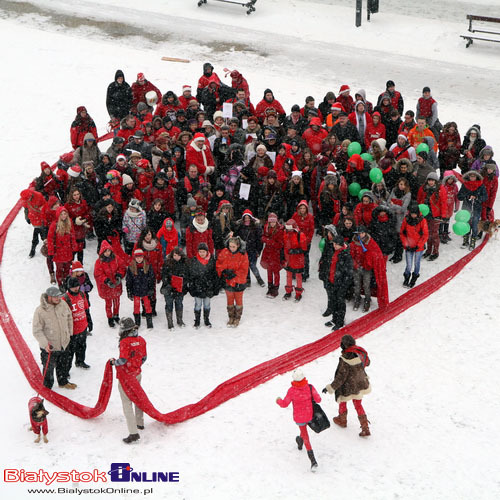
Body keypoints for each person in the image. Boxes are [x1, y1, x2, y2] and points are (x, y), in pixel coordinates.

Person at [322, 334, 371, 437]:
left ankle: (342, 419)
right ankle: (365, 427)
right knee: (358, 404)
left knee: (342, 399)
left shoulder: (345, 359)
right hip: (360, 382)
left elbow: (341, 378)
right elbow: (368, 363)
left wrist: (330, 388)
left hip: (349, 385)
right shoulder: (360, 352)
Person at [110, 317, 147, 444]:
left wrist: (114, 362)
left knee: (127, 403)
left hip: (126, 376)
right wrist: (136, 365)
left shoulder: (125, 342)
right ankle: (140, 422)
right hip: (137, 374)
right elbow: (144, 357)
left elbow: (123, 360)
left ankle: (133, 432)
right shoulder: (141, 340)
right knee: (138, 398)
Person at [276, 368, 321, 471]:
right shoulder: (310, 387)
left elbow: (284, 404)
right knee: (303, 432)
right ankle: (299, 441)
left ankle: (313, 460)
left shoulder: (291, 391)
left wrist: (278, 400)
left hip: (299, 417)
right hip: (309, 415)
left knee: (305, 435)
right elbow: (318, 399)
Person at [32, 286, 75, 390]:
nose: (58, 298)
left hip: (63, 343)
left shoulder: (63, 304)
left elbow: (69, 317)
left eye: (59, 296)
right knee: (48, 368)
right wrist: (45, 344)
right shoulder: (40, 311)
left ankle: (63, 382)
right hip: (49, 347)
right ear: (49, 297)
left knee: (63, 365)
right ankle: (47, 387)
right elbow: (37, 330)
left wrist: (69, 333)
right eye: (55, 297)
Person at [216, 236, 249, 327]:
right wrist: (224, 271)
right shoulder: (225, 252)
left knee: (238, 300)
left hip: (238, 281)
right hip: (228, 280)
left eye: (233, 246)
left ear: (238, 246)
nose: (231, 248)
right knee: (229, 299)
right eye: (230, 246)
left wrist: (234, 274)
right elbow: (219, 263)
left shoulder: (243, 254)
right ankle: (231, 316)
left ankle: (237, 317)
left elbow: (244, 268)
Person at [94, 240, 126, 327]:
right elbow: (98, 274)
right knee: (108, 303)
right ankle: (109, 317)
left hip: (116, 285)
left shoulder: (116, 258)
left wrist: (119, 275)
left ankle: (116, 315)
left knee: (116, 302)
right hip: (106, 287)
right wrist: (106, 280)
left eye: (109, 251)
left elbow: (122, 267)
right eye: (105, 251)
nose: (107, 253)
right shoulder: (99, 262)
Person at [324, 234, 353, 330]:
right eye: (334, 244)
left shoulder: (346, 255)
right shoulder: (334, 252)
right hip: (332, 281)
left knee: (340, 303)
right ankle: (334, 319)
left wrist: (344, 285)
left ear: (341, 244)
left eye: (336, 244)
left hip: (340, 283)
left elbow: (348, 273)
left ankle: (340, 321)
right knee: (333, 301)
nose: (334, 246)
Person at [187, 242, 219, 328]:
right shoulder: (194, 261)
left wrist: (215, 286)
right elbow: (191, 275)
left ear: (207, 252)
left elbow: (214, 274)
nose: (202, 254)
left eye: (203, 252)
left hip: (208, 287)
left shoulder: (212, 260)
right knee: (197, 304)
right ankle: (197, 320)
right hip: (197, 287)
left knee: (207, 304)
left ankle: (206, 320)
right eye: (200, 252)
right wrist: (192, 286)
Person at [416, 172, 447, 260]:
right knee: (427, 233)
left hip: (435, 215)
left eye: (432, 180)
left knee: (434, 234)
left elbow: (443, 203)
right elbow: (419, 200)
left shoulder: (440, 189)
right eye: (429, 180)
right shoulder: (423, 188)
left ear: (436, 181)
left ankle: (435, 251)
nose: (431, 182)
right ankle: (429, 250)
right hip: (425, 214)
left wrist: (443, 215)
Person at [63, 277, 91, 370]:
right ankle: (66, 370)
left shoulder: (82, 294)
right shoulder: (65, 299)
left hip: (83, 327)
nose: (76, 288)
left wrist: (89, 321)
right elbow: (62, 316)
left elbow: (86, 309)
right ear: (69, 287)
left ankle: (80, 361)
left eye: (77, 286)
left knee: (82, 346)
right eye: (73, 287)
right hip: (72, 331)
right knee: (69, 352)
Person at [400, 203, 429, 288]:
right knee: (408, 264)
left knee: (417, 263)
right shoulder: (406, 219)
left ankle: (414, 277)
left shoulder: (422, 221)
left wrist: (419, 245)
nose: (413, 215)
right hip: (408, 246)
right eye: (411, 214)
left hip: (418, 247)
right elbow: (402, 233)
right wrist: (406, 244)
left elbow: (425, 234)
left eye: (414, 214)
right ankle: (407, 276)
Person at [458, 170, 488, 250]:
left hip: (477, 208)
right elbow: (459, 196)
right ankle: (465, 240)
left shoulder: (481, 185)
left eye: (474, 176)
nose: (472, 178)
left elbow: (485, 197)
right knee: (466, 224)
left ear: (477, 177)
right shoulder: (465, 185)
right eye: (471, 176)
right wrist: (467, 197)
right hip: (466, 208)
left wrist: (477, 198)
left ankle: (473, 241)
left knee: (475, 225)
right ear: (468, 177)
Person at [46, 207, 77, 286]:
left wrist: (74, 248)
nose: (64, 216)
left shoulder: (69, 223)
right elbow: (50, 239)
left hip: (68, 251)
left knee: (67, 269)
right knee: (59, 269)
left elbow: (72, 236)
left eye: (65, 214)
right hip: (58, 252)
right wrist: (51, 252)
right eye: (62, 214)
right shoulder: (54, 225)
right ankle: (60, 284)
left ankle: (66, 282)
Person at [126, 249, 155, 329]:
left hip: (146, 290)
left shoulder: (148, 266)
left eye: (140, 257)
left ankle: (149, 322)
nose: (139, 259)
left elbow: (152, 279)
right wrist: (129, 291)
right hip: (136, 291)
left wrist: (151, 289)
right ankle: (137, 322)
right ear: (134, 258)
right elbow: (129, 281)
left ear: (143, 257)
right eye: (137, 257)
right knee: (136, 307)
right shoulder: (131, 267)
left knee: (147, 306)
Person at [234, 209, 264, 287]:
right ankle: (248, 280)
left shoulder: (256, 226)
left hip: (253, 249)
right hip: (243, 249)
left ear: (251, 218)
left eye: (248, 217)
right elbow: (236, 237)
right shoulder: (240, 226)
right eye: (245, 217)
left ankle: (259, 278)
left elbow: (259, 240)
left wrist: (258, 250)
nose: (247, 219)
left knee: (252, 265)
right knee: (245, 265)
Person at [161, 247, 189, 329]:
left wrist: (182, 283)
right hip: (168, 288)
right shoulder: (167, 263)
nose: (177, 257)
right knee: (169, 304)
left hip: (180, 289)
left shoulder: (185, 264)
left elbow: (187, 276)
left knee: (179, 304)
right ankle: (170, 322)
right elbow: (164, 276)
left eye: (178, 255)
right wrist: (169, 285)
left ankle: (179, 320)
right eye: (175, 255)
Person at [282, 219, 308, 302]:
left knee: (298, 276)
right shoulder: (285, 234)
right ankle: (288, 291)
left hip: (297, 259)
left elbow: (304, 249)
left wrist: (295, 251)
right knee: (288, 275)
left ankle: (298, 293)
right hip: (288, 258)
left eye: (290, 228)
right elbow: (284, 245)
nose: (289, 230)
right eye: (287, 228)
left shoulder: (300, 235)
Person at [260, 213, 284, 298]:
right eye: (271, 222)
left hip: (276, 254)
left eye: (274, 222)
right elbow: (263, 237)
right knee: (269, 270)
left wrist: (269, 241)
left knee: (276, 271)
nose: (272, 223)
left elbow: (280, 244)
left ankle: (276, 288)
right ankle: (270, 287)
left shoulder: (280, 230)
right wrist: (266, 240)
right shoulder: (266, 228)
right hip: (268, 253)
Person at [20, 188, 47, 258]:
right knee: (41, 233)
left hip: (41, 217)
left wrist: (42, 208)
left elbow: (45, 205)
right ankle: (38, 246)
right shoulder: (25, 199)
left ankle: (34, 248)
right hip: (33, 218)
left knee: (40, 233)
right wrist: (27, 217)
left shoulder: (39, 196)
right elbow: (26, 208)